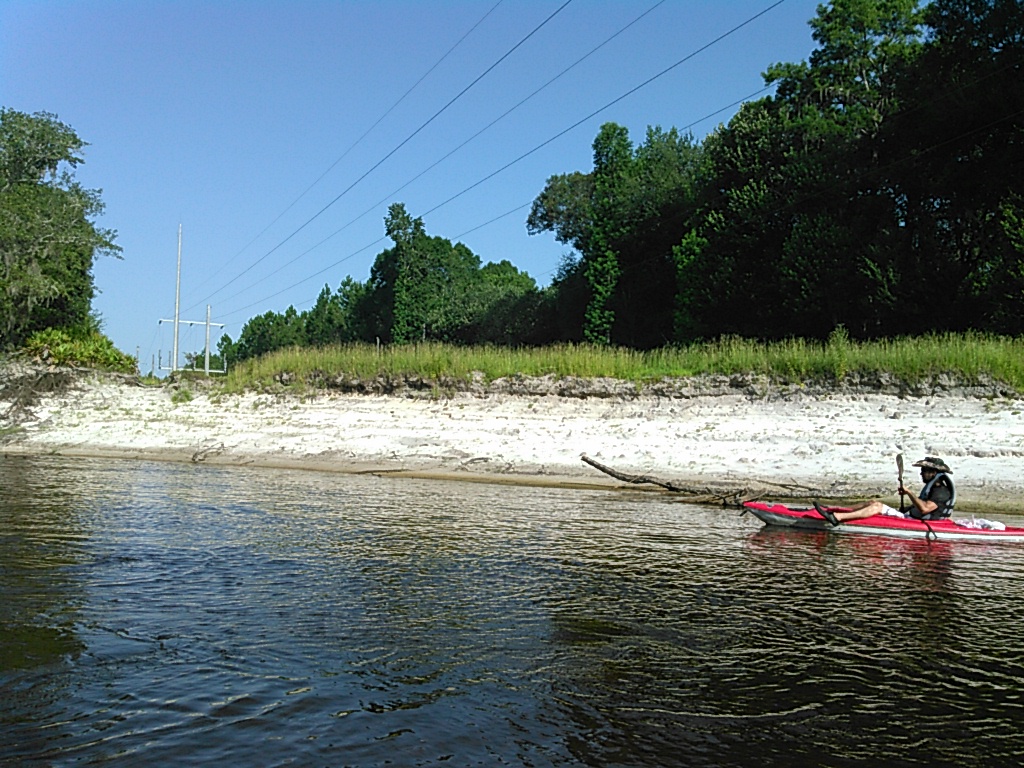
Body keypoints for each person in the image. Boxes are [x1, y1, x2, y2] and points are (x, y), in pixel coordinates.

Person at [814, 457, 955, 526]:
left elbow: (924, 509)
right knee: (873, 502)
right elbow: (920, 507)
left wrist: (909, 493)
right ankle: (839, 511)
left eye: (924, 471)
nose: (921, 474)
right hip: (912, 516)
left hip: (920, 522)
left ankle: (837, 518)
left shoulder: (941, 492)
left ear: (934, 472)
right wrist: (904, 508)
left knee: (878, 507)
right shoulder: (935, 489)